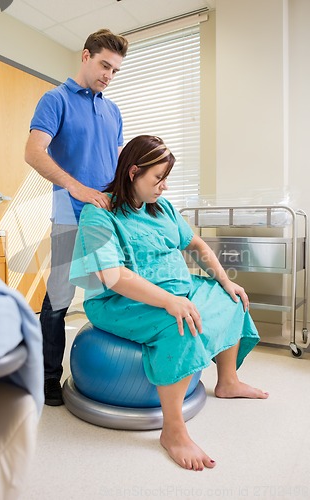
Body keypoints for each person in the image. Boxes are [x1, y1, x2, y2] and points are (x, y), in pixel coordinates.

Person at [70, 135, 269, 471]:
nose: (163, 187)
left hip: (178, 288)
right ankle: (173, 431)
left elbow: (198, 246)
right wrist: (169, 302)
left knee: (231, 300)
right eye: (157, 178)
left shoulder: (162, 208)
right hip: (120, 301)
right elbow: (113, 276)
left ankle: (228, 380)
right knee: (181, 325)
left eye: (166, 179)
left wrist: (224, 279)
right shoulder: (99, 213)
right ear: (133, 172)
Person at [25, 29, 129, 406]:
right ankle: (48, 377)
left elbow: (119, 162)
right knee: (59, 299)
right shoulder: (56, 99)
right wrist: (76, 187)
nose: (108, 75)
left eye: (115, 70)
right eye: (105, 65)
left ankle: (113, 370)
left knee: (113, 289)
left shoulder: (112, 109)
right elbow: (34, 152)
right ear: (86, 56)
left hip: (108, 217)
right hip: (70, 216)